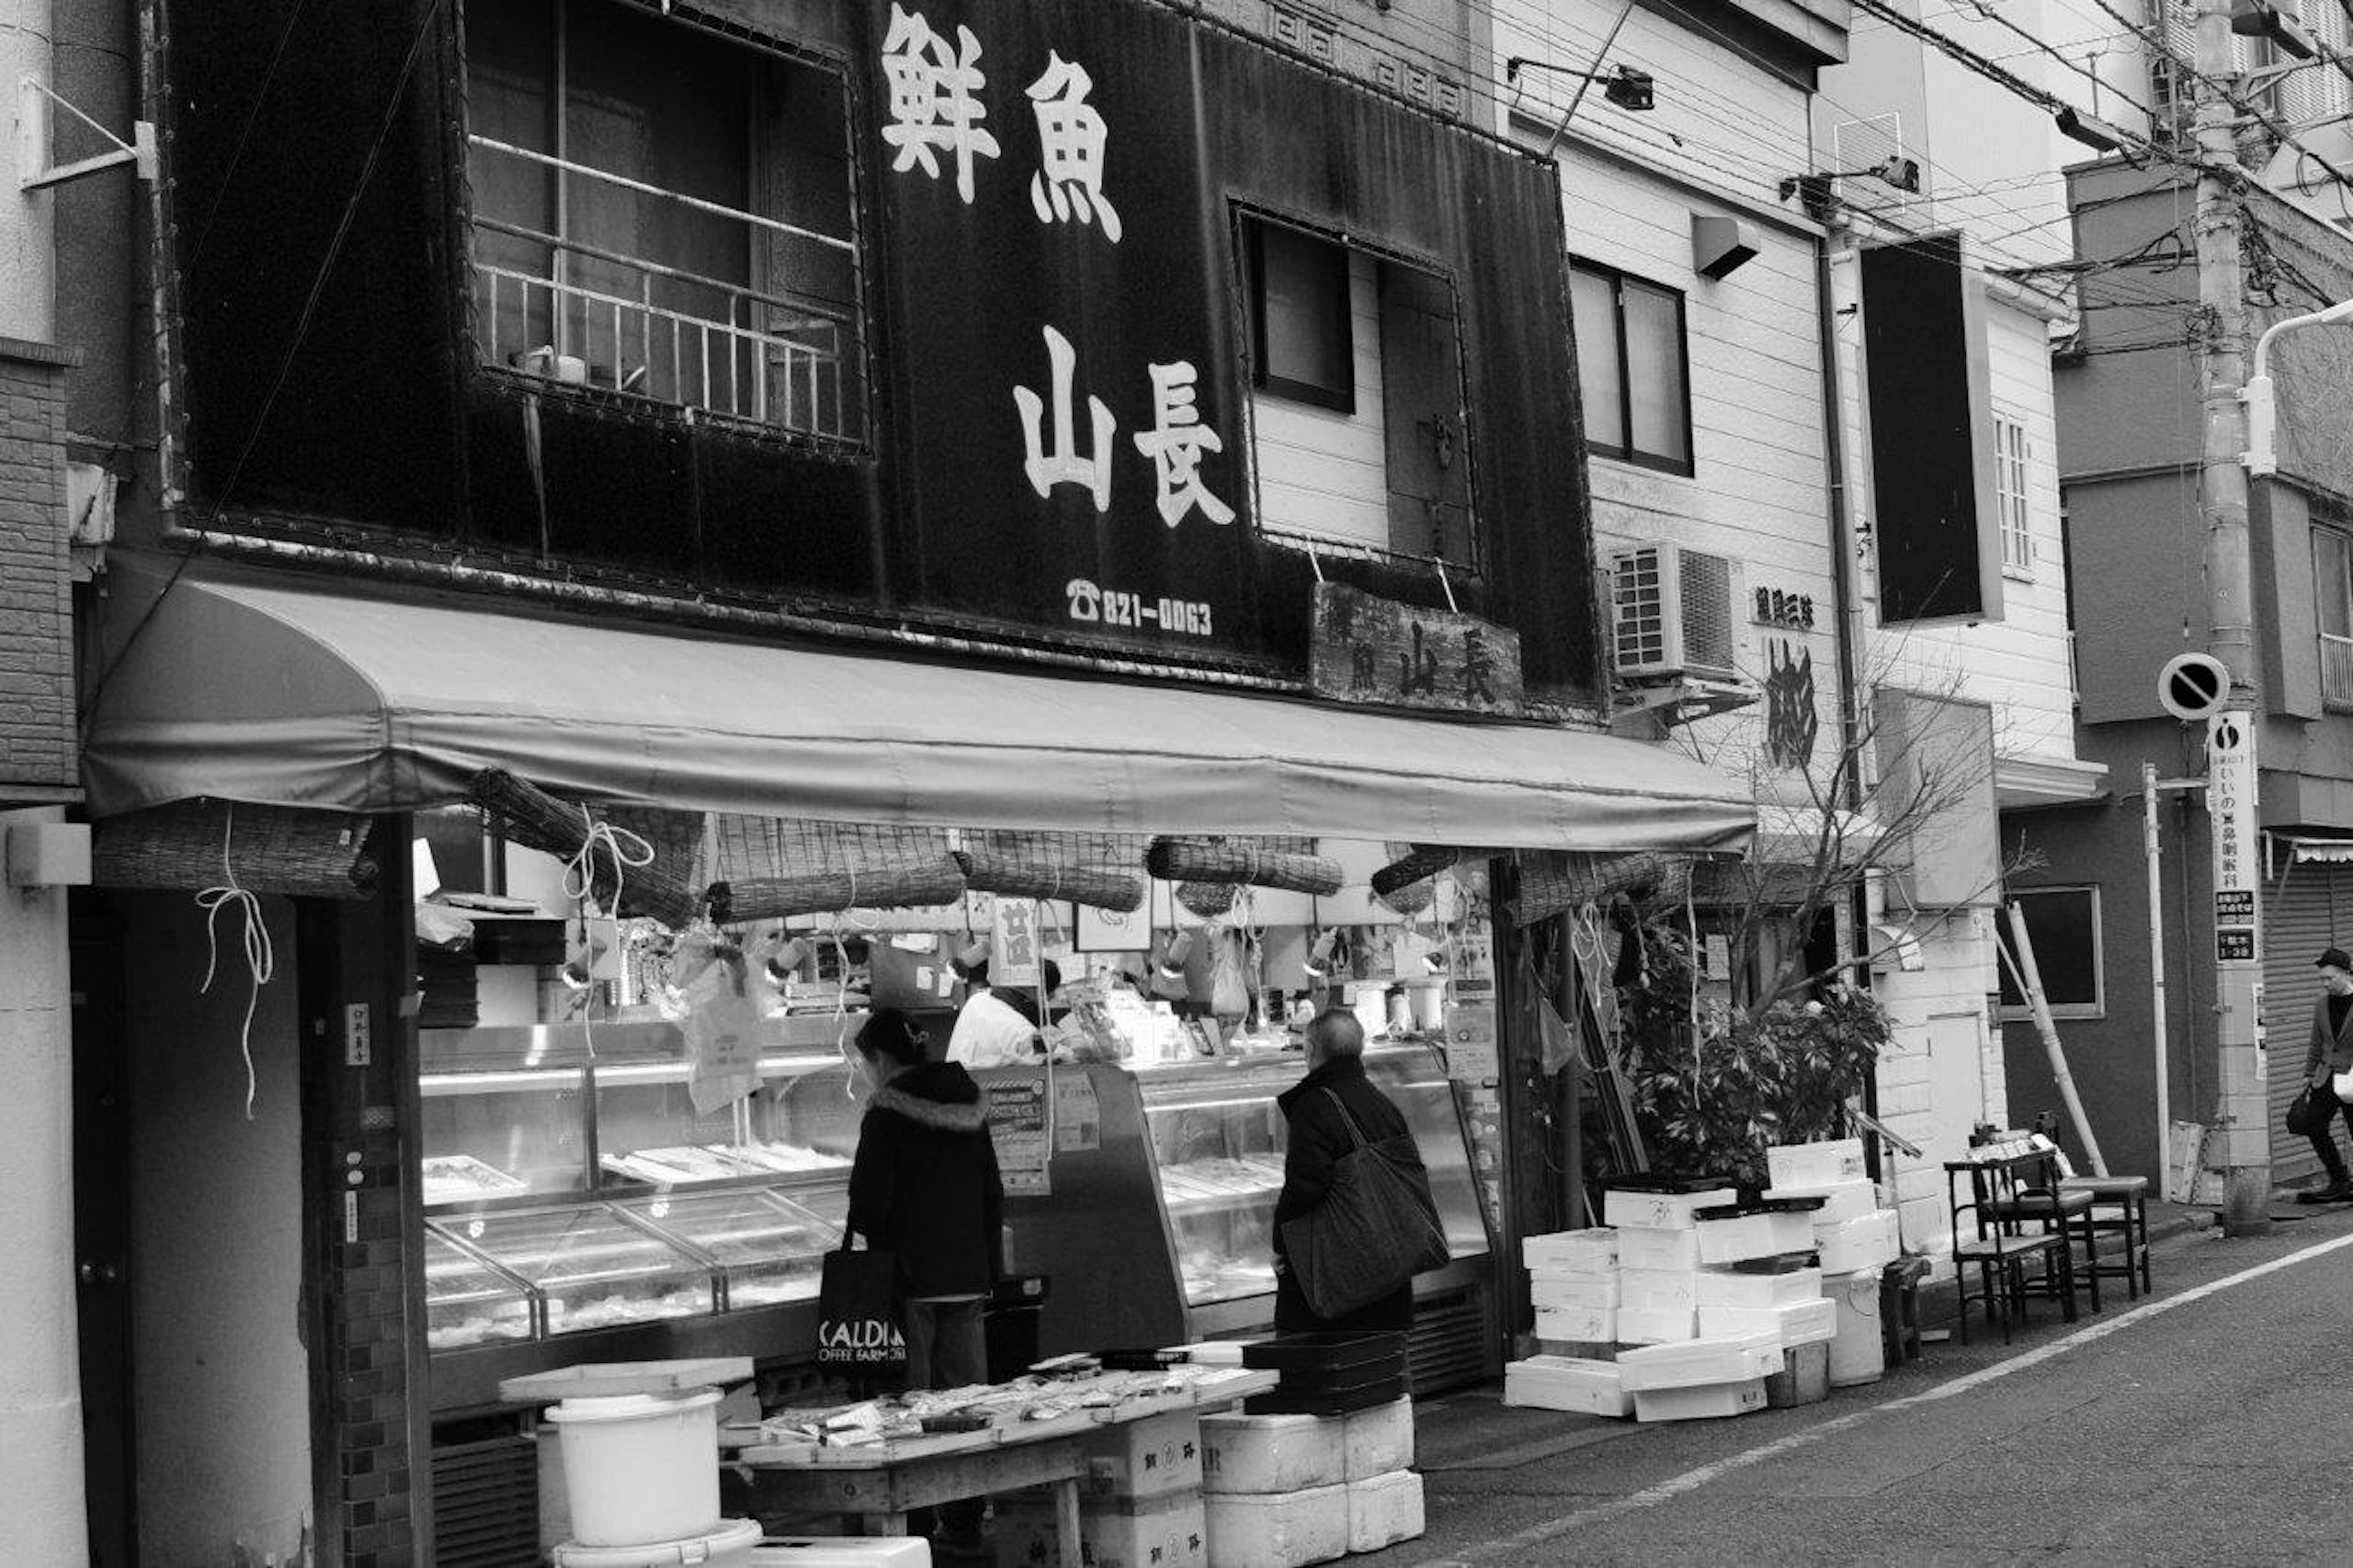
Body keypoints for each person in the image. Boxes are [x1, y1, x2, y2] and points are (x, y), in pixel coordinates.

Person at [845, 1008, 1004, 1558]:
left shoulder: (885, 1115)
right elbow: (992, 1193)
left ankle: (909, 1532)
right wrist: (988, 1272)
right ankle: (964, 1525)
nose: (866, 1071)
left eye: (864, 1060)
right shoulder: (970, 1104)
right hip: (967, 1279)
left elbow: (869, 1206)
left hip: (910, 1281)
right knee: (964, 1409)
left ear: (882, 1058)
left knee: (907, 1411)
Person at [1270, 1007, 1429, 1333]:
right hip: (1389, 1270)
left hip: (1341, 1280)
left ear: (1311, 1050)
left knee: (1335, 1375)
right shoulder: (1383, 1104)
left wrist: (1282, 1245)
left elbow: (1306, 1188)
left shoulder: (1314, 1106)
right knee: (1384, 1369)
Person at [2298, 947, 2353, 1203]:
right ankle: (2339, 1179)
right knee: (2312, 1124)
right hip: (2326, 1075)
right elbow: (2316, 1041)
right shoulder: (2322, 1004)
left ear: (2345, 974)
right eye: (2322, 979)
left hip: (2352, 1077)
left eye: (2330, 978)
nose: (2325, 983)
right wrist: (2310, 1074)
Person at [945, 959, 1062, 1067]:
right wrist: (1061, 1042)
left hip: (954, 1082)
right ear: (1040, 993)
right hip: (980, 1086)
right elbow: (1047, 1063)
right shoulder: (1022, 1032)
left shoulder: (977, 999)